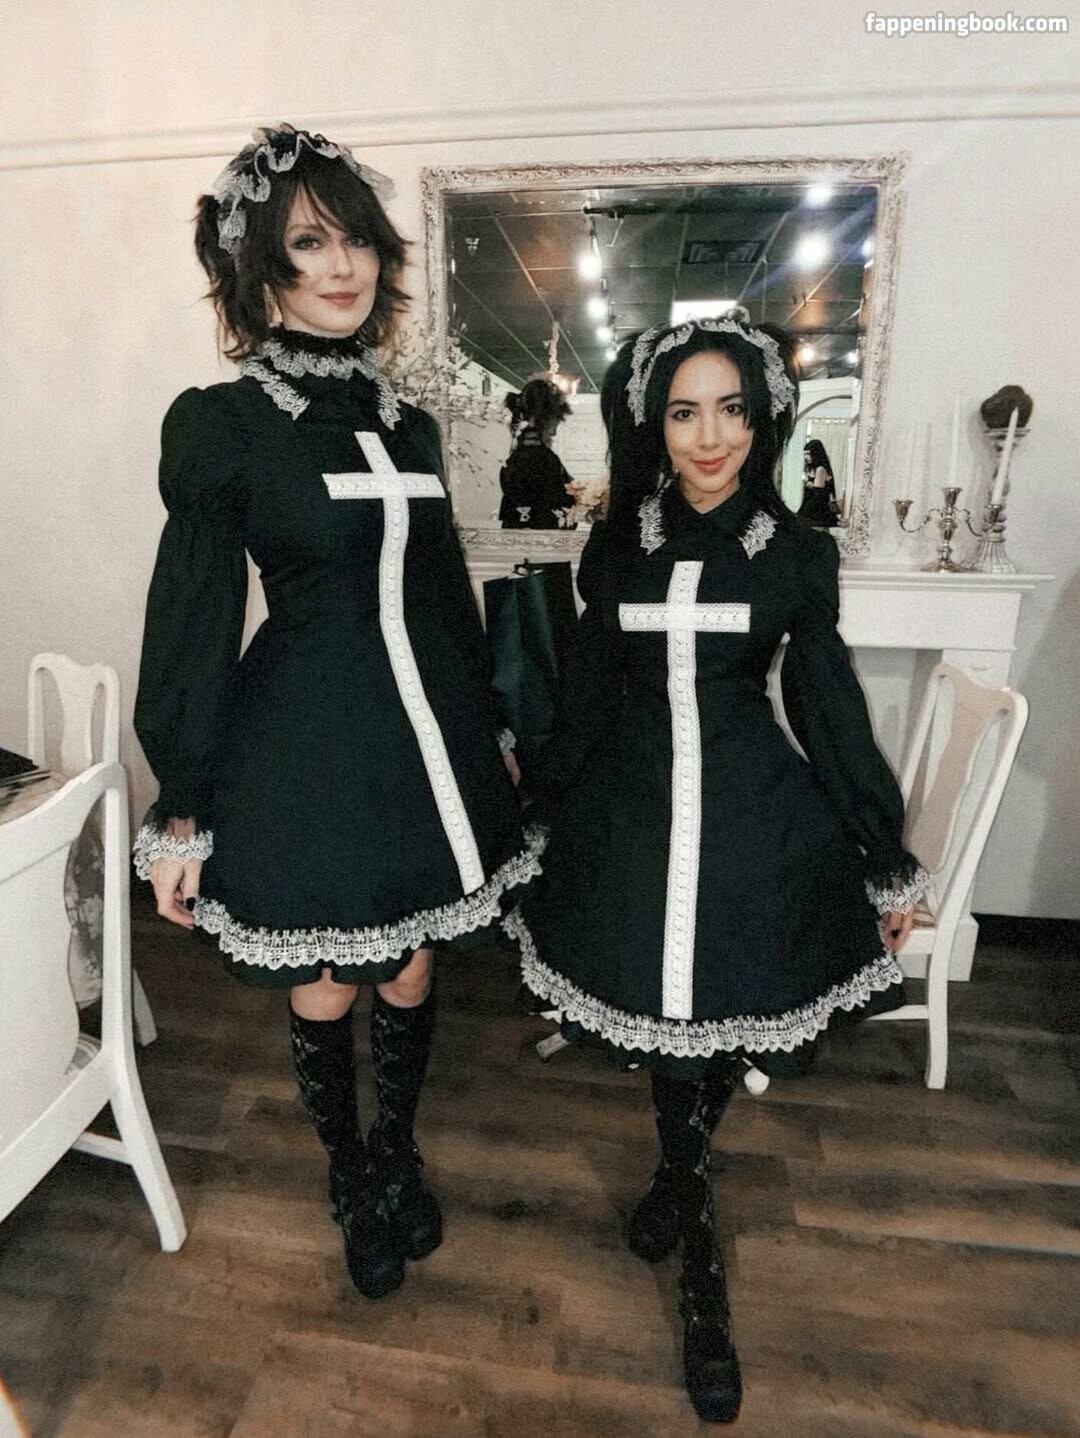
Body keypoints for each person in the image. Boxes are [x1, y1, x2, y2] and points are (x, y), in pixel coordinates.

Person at [133, 126, 541, 1300]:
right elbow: (194, 618)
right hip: (309, 739)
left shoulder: (409, 421)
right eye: (310, 241)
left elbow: (442, 589)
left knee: (411, 965)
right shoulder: (223, 425)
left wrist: (492, 724)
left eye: (356, 236)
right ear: (258, 267)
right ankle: (349, 1170)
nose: (344, 263)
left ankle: (397, 1146)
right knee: (329, 977)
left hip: (427, 737)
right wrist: (184, 803)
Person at [505, 314, 926, 1422]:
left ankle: (677, 1193)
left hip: (751, 806)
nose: (710, 437)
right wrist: (542, 805)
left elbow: (826, 704)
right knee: (666, 1016)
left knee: (725, 1004)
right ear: (654, 423)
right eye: (685, 412)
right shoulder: (618, 549)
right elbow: (589, 693)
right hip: (634, 805)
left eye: (731, 409)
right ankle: (698, 1254)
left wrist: (881, 850)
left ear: (763, 417)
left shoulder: (795, 554)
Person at [498, 378, 577, 528]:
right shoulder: (543, 458)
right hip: (540, 533)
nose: (556, 427)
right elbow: (552, 504)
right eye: (557, 419)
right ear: (548, 417)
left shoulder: (518, 455)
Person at [798, 437, 839, 527]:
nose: (805, 457)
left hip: (816, 517)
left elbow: (818, 498)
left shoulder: (820, 470)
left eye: (808, 454)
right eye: (804, 454)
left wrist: (811, 485)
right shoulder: (815, 470)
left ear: (816, 454)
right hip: (814, 516)